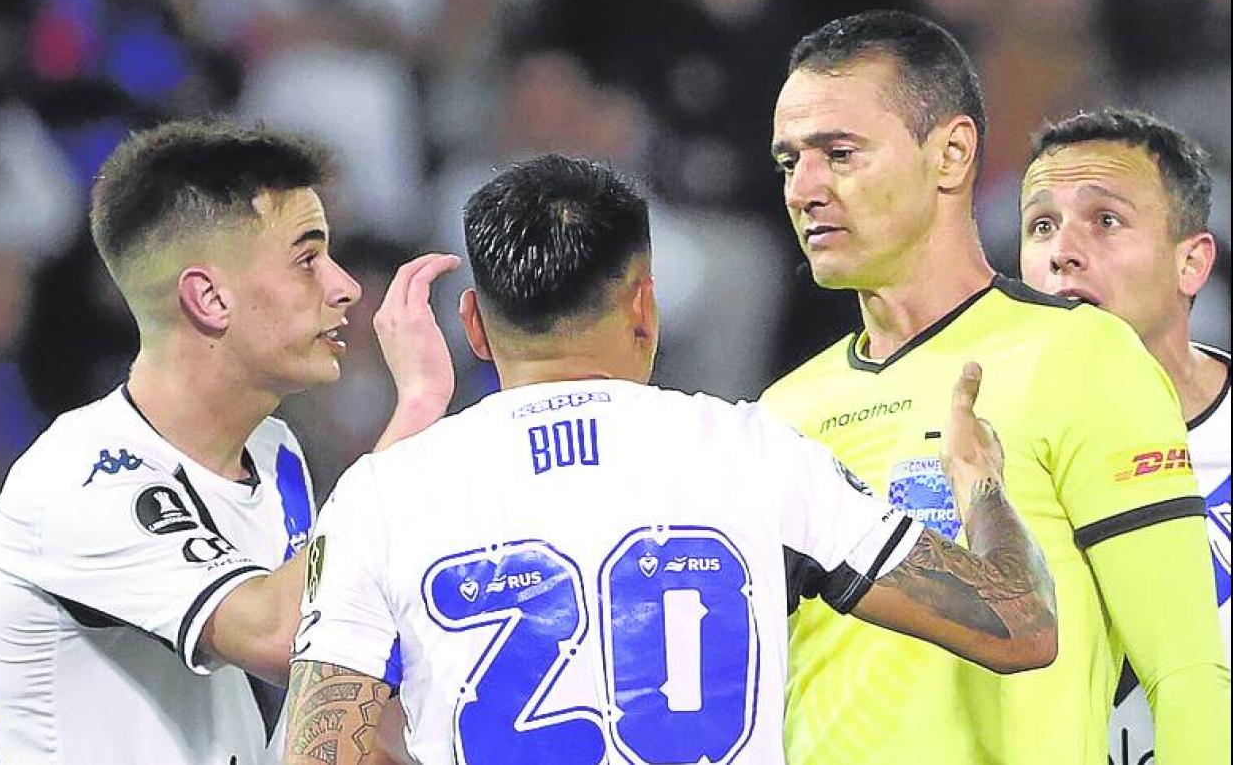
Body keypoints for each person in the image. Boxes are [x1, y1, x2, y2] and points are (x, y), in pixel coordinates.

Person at [280, 153, 1058, 765]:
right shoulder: (756, 454)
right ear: (645, 308)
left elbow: (318, 753)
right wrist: (982, 486)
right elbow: (1019, 626)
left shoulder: (382, 495)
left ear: (475, 328)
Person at [760, 10, 1229, 765]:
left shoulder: (1079, 356)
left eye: (839, 154)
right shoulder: (778, 415)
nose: (804, 189)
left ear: (951, 154)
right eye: (790, 162)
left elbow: (1186, 673)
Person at [0, 120, 459, 764]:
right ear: (208, 298)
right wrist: (420, 407)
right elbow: (285, 633)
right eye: (307, 260)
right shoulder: (84, 477)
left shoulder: (273, 451)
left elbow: (324, 692)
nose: (344, 286)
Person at [1018, 107, 1231, 765]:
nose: (1062, 251)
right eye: (1041, 225)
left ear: (1191, 263)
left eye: (1105, 220)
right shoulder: (981, 445)